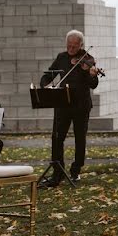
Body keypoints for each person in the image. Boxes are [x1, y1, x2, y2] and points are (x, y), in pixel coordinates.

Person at [39, 30, 100, 186]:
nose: (71, 49)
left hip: (81, 106)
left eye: (75, 46)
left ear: (81, 45)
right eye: (69, 46)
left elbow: (93, 84)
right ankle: (57, 172)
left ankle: (76, 170)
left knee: (80, 138)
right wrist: (45, 84)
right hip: (63, 104)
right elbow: (48, 75)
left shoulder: (88, 60)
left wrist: (92, 74)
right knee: (57, 138)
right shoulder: (61, 57)